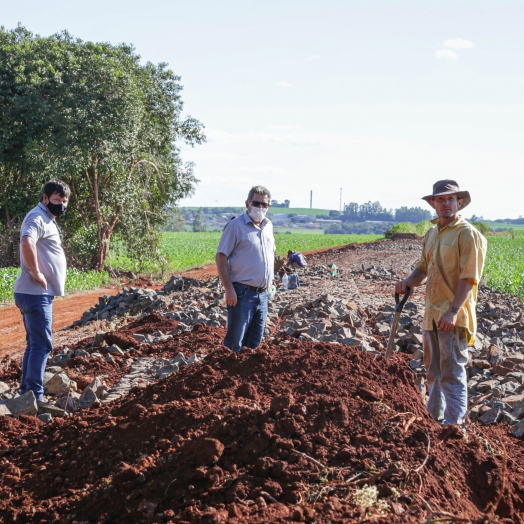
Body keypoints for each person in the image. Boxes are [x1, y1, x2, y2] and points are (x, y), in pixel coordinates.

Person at [395, 180, 487, 429]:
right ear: (433, 203)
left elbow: (469, 278)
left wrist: (453, 311)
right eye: (440, 199)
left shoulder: (467, 234)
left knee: (452, 373)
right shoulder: (432, 233)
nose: (445, 203)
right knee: (433, 372)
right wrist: (408, 282)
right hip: (432, 315)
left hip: (452, 316)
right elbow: (423, 268)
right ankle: (432, 420)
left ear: (459, 202)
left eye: (450, 199)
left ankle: (453, 429)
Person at [14, 179, 70, 401]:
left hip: (34, 293)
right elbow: (27, 241)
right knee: (42, 345)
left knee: (34, 343)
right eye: (57, 200)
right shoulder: (37, 216)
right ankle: (35, 396)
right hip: (35, 293)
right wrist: (36, 272)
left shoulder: (47, 217)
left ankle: (26, 393)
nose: (61, 205)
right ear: (45, 198)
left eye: (64, 201)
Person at [216, 186, 275, 352]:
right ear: (247, 203)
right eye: (256, 203)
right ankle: (226, 376)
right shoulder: (235, 226)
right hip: (241, 293)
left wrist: (270, 282)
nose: (260, 208)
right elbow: (221, 256)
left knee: (254, 345)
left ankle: (243, 378)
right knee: (234, 343)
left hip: (263, 294)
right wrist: (228, 289)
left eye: (264, 204)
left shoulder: (268, 226)